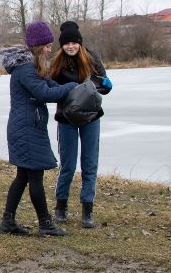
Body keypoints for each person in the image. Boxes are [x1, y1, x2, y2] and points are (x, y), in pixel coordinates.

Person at [0, 21, 78, 237]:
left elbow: (52, 87)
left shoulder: (32, 68)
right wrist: (73, 87)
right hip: (26, 130)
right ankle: (45, 224)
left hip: (28, 128)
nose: (51, 49)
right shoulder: (25, 70)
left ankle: (8, 222)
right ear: (38, 46)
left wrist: (73, 86)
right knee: (34, 178)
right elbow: (45, 94)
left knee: (23, 176)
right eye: (48, 45)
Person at [49, 21, 112, 228]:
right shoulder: (57, 63)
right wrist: (70, 90)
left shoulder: (92, 58)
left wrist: (98, 88)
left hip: (91, 117)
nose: (71, 47)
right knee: (67, 165)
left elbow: (104, 84)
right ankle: (61, 206)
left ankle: (87, 209)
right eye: (66, 43)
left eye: (74, 42)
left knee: (90, 164)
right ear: (62, 45)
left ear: (79, 43)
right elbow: (50, 88)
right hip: (66, 119)